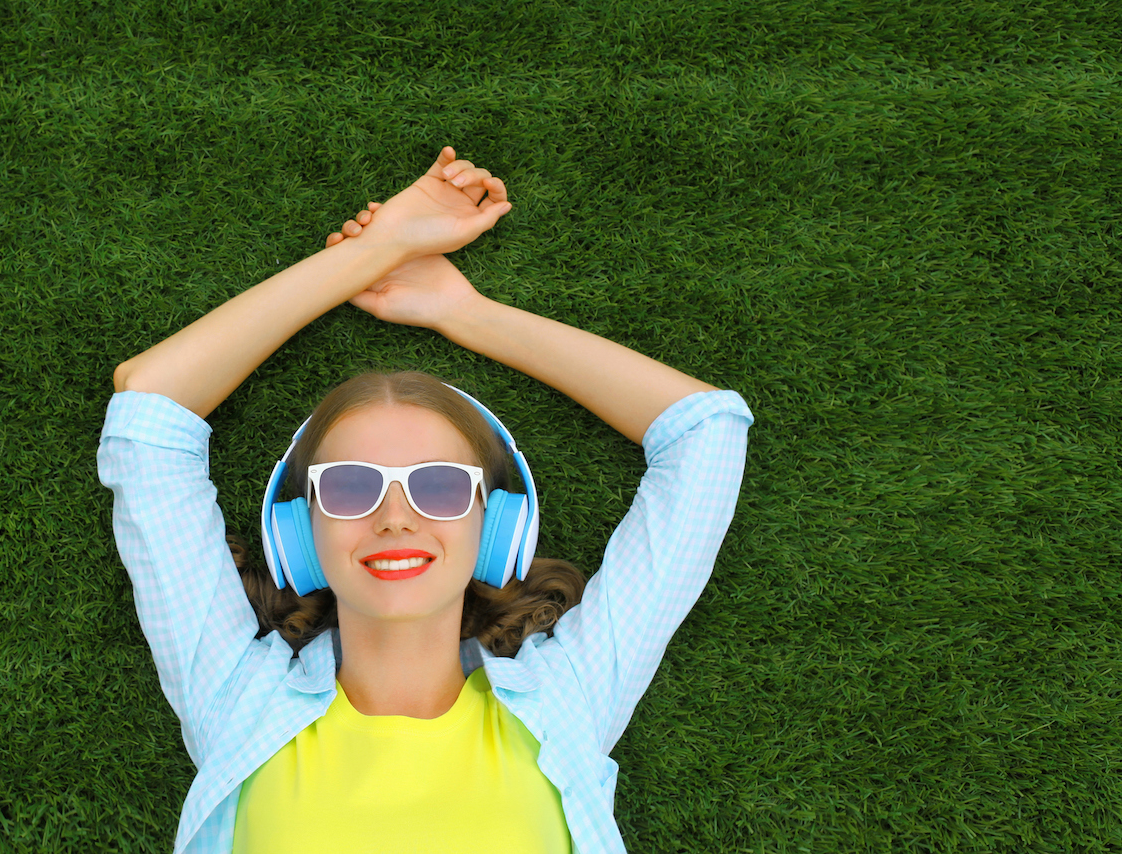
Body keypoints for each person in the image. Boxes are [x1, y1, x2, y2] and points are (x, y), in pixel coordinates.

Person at [97, 146, 755, 853]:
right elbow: (150, 406)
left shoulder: (568, 702)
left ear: (496, 526)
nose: (394, 517)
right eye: (350, 486)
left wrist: (462, 310)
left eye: (439, 486)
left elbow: (706, 430)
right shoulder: (236, 701)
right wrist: (377, 250)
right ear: (299, 531)